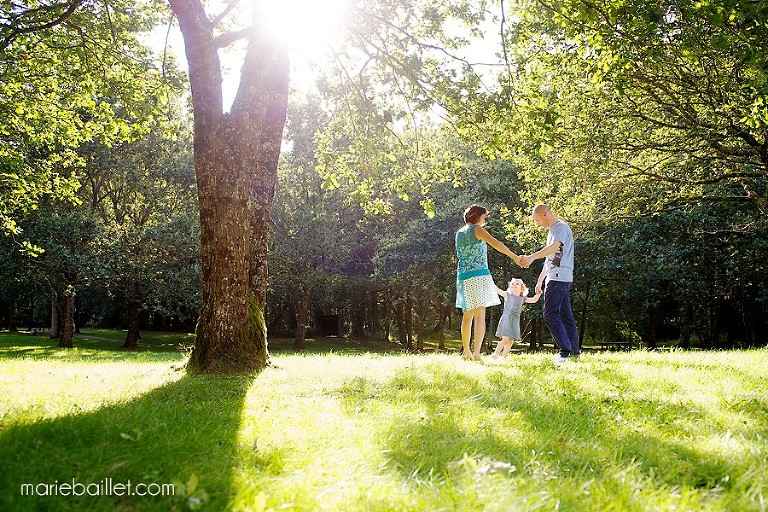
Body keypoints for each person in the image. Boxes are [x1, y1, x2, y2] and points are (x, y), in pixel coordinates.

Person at [456, 204, 522, 361]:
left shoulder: (459, 233)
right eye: (484, 217)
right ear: (477, 217)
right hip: (479, 275)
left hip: (464, 276)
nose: (485, 220)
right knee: (479, 315)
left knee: (467, 316)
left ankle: (466, 352)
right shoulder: (476, 230)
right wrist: (514, 256)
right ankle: (477, 353)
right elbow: (496, 244)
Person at [520, 204, 580, 364]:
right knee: (566, 316)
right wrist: (540, 281)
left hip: (559, 277)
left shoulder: (560, 228)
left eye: (538, 220)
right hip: (559, 277)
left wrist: (531, 257)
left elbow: (553, 248)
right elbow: (550, 259)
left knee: (549, 314)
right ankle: (574, 351)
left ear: (545, 214)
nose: (538, 224)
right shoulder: (552, 231)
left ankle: (565, 352)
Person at [491, 279, 541, 360]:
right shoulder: (507, 295)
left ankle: (504, 357)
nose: (514, 285)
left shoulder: (522, 298)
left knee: (511, 340)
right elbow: (498, 290)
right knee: (505, 339)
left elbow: (533, 300)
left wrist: (538, 294)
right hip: (507, 319)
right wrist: (492, 284)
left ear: (522, 288)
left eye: (517, 284)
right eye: (512, 284)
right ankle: (495, 354)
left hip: (515, 320)